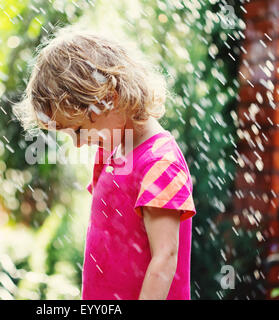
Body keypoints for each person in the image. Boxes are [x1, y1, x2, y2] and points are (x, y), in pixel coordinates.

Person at [13, 28, 197, 300]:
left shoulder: (159, 163)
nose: (77, 144)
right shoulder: (111, 155)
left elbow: (165, 259)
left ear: (110, 98)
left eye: (78, 130)